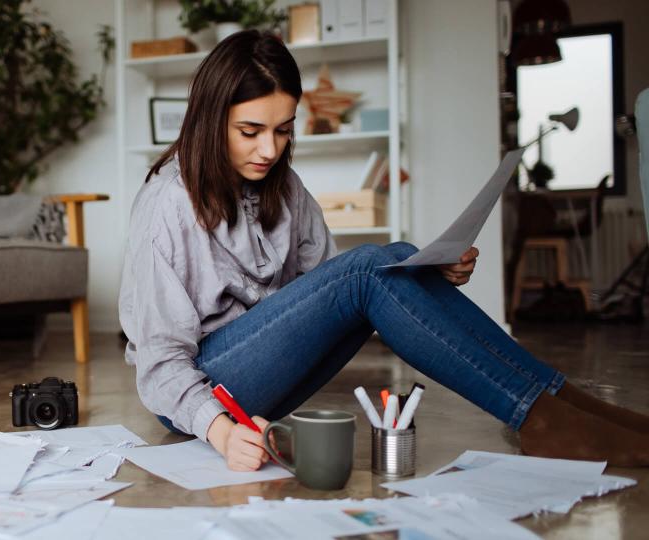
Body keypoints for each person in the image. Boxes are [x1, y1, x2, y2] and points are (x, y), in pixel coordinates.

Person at [118, 30, 649, 471]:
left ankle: (561, 400)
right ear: (212, 120)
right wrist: (218, 432)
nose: (269, 150)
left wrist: (425, 277)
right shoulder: (167, 203)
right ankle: (541, 417)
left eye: (283, 131)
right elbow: (161, 365)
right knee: (372, 266)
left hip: (263, 373)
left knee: (388, 260)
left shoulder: (284, 185)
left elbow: (329, 296)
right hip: (203, 395)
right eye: (250, 131)